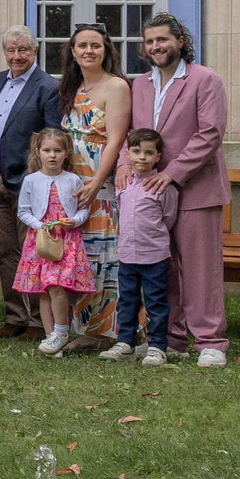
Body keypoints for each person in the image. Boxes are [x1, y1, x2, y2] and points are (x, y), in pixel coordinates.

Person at [129, 12, 228, 367]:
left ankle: (210, 341)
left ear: (180, 41)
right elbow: (135, 134)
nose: (156, 46)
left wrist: (172, 173)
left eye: (163, 40)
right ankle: (171, 338)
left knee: (200, 268)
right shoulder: (140, 84)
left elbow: (210, 134)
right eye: (150, 41)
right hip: (152, 193)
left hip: (197, 189)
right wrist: (129, 168)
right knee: (161, 267)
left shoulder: (205, 79)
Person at [0, 24, 61, 340]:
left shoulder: (47, 87)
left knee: (34, 250)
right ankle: (15, 316)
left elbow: (53, 136)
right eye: (11, 50)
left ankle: (39, 321)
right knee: (8, 251)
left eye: (23, 49)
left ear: (34, 51)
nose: (16, 55)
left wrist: (38, 179)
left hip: (28, 184)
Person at [58, 22, 132, 344]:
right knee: (81, 257)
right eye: (82, 46)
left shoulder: (116, 87)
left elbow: (115, 142)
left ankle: (108, 331)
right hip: (73, 187)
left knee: (104, 255)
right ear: (73, 53)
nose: (89, 51)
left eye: (96, 46)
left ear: (106, 51)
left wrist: (96, 184)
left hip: (99, 189)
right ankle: (85, 329)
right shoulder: (74, 89)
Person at [100, 127, 181, 365]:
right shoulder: (123, 184)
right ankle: (125, 341)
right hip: (127, 255)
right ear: (128, 154)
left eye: (148, 153)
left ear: (157, 157)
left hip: (153, 255)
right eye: (136, 152)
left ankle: (157, 346)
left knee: (155, 301)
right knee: (127, 300)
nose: (142, 158)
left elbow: (168, 218)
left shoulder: (163, 187)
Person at [13, 125, 95, 355]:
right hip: (41, 240)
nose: (52, 155)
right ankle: (52, 339)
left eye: (57, 151)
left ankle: (61, 331)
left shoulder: (73, 180)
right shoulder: (31, 180)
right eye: (47, 150)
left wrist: (74, 221)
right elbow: (24, 211)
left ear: (65, 154)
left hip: (66, 240)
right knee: (45, 290)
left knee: (57, 286)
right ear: (37, 152)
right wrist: (41, 226)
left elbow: (83, 210)